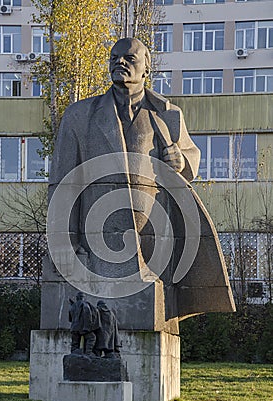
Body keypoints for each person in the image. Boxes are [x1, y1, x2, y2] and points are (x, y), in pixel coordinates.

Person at [50, 38, 235, 327]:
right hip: (96, 237)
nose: (119, 62)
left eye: (129, 58)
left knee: (152, 317)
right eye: (114, 57)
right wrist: (64, 237)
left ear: (146, 67)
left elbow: (190, 159)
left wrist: (181, 161)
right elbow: (63, 182)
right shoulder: (79, 115)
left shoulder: (167, 115)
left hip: (154, 238)